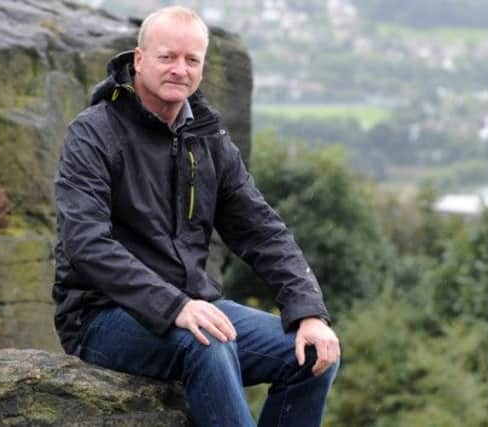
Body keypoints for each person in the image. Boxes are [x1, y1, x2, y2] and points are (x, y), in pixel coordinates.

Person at [53, 6, 340, 427]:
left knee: (311, 353)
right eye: (167, 57)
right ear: (139, 59)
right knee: (206, 342)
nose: (179, 70)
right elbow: (86, 244)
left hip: (193, 307)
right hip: (100, 316)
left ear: (203, 66)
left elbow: (263, 231)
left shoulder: (207, 136)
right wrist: (174, 307)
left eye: (192, 60)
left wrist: (309, 311)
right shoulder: (93, 133)